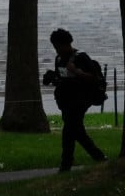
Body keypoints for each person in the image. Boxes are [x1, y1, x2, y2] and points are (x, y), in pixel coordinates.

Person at [43, 28, 107, 172]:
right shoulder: (59, 60)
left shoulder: (81, 57)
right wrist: (52, 78)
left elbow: (95, 78)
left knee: (69, 131)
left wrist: (77, 71)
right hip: (65, 101)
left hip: (80, 101)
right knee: (77, 131)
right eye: (55, 47)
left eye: (59, 46)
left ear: (67, 44)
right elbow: (62, 79)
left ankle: (66, 165)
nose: (57, 50)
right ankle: (99, 157)